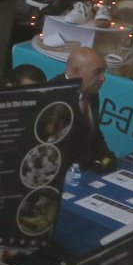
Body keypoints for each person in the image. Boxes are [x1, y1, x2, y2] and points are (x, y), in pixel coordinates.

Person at [56, 46, 120, 177]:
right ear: (76, 71)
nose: (103, 78)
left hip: (86, 169)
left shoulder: (91, 92)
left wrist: (106, 156)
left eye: (104, 72)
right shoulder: (55, 97)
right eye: (97, 72)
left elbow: (94, 131)